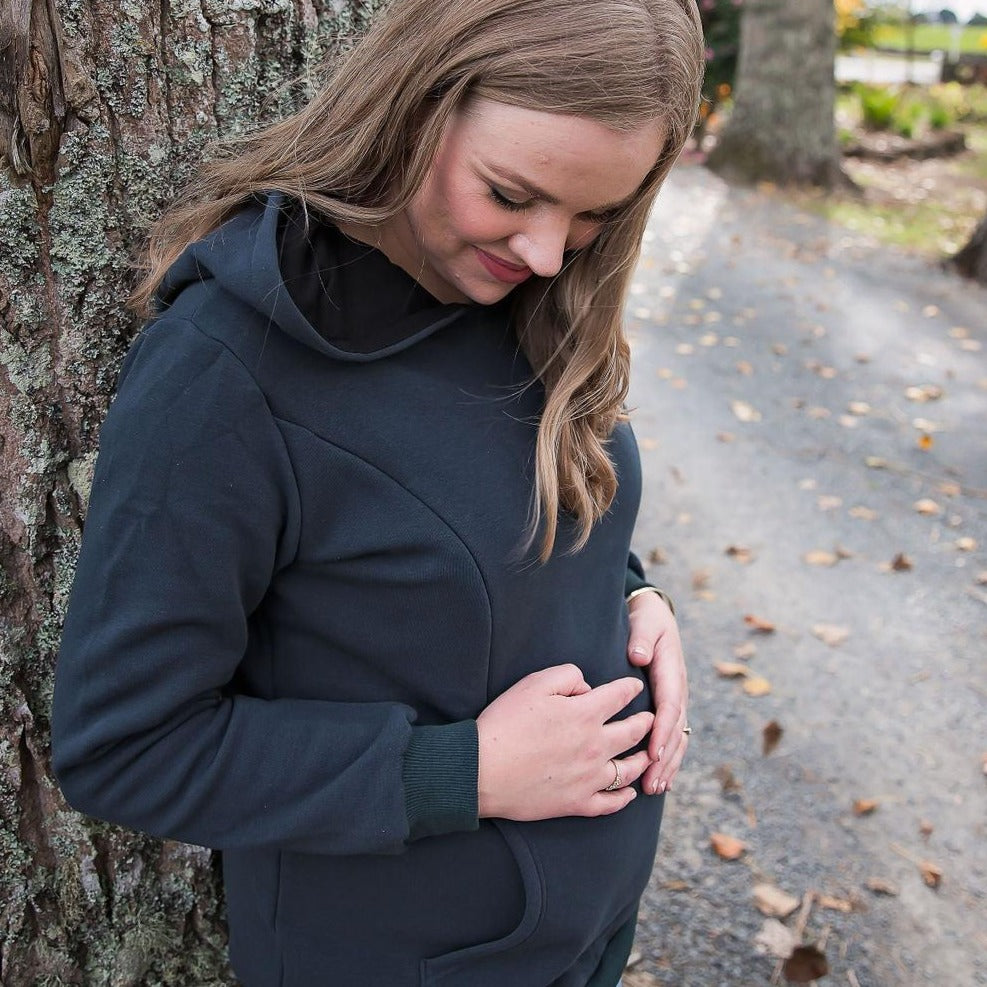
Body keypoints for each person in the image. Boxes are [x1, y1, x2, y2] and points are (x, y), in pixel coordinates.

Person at [51, 1, 704, 984]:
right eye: (510, 193)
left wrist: (625, 590)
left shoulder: (533, 298)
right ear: (415, 103)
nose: (542, 251)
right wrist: (463, 772)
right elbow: (124, 745)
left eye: (592, 217)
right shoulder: (226, 373)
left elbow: (482, 512)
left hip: (582, 941)